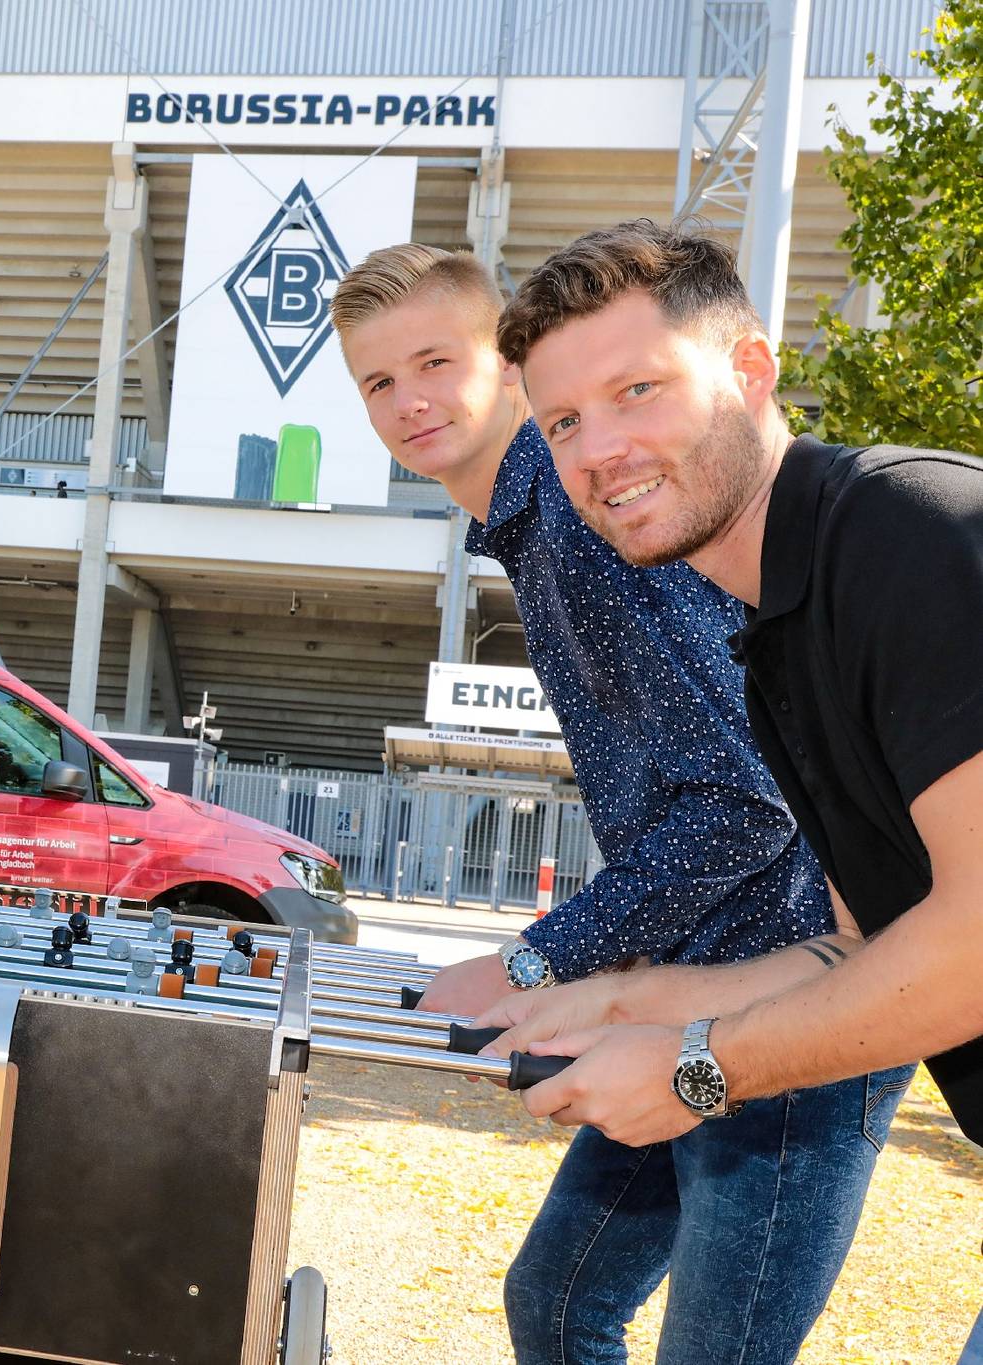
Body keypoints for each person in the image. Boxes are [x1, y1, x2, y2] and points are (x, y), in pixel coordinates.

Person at [331, 243, 910, 1365]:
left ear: (506, 368)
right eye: (377, 382)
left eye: (436, 362)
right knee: (554, 1305)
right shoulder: (533, 519)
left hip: (792, 1001)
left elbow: (745, 801)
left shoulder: (580, 522)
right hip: (682, 985)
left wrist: (540, 960)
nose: (409, 403)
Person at [477, 217, 983, 1354]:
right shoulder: (779, 640)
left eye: (639, 387)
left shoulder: (909, 535)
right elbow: (856, 948)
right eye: (564, 421)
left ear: (753, 369)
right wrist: (618, 1000)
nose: (601, 448)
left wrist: (702, 1069)